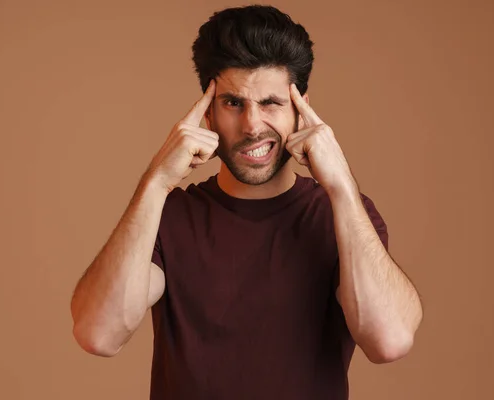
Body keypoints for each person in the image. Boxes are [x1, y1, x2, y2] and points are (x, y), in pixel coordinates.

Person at [70, 5, 423, 399]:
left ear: (300, 109)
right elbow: (98, 334)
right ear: (207, 115)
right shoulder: (167, 216)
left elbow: (389, 341)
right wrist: (155, 183)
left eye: (271, 102)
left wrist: (341, 185)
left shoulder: (342, 215)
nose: (253, 125)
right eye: (234, 103)